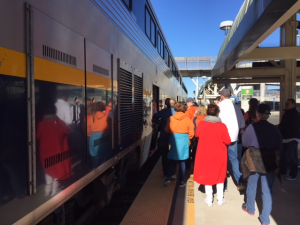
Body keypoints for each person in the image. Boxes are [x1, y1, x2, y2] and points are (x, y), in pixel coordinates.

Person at [241, 104, 282, 225]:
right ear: (268, 115)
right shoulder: (274, 129)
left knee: (252, 185)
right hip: (269, 159)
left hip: (254, 158)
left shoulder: (251, 127)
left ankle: (250, 208)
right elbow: (279, 145)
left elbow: (245, 143)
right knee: (267, 190)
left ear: (258, 114)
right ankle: (265, 219)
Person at [194, 104, 231, 207]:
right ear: (218, 113)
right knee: (220, 176)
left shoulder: (202, 124)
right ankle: (220, 199)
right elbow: (227, 141)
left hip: (205, 154)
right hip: (219, 154)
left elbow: (197, 135)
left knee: (207, 175)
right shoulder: (222, 126)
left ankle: (209, 200)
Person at [36, 104, 71, 196]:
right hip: (57, 150)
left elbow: (38, 136)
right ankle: (55, 191)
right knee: (57, 171)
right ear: (55, 112)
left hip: (45, 152)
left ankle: (47, 190)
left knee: (48, 170)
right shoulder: (60, 123)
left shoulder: (41, 124)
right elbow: (68, 131)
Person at [218, 88, 245, 191]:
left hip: (222, 138)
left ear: (222, 96)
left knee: (222, 160)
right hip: (233, 138)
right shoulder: (236, 107)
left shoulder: (219, 106)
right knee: (234, 159)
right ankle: (239, 181)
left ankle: (224, 185)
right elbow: (242, 124)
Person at [164, 102, 194, 187]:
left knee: (172, 160)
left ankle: (168, 178)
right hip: (184, 141)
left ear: (175, 108)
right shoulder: (187, 119)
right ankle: (181, 181)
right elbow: (191, 133)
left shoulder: (171, 118)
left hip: (173, 140)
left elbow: (167, 130)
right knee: (182, 161)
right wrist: (188, 138)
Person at [152, 98, 176, 176]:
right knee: (174, 154)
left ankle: (165, 171)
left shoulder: (163, 111)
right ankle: (172, 172)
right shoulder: (177, 112)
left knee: (164, 154)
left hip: (164, 136)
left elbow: (155, 116)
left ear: (166, 104)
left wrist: (157, 122)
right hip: (174, 137)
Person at [278, 99, 300, 180]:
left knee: (293, 157)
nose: (286, 105)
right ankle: (282, 171)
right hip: (285, 138)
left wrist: (281, 127)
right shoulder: (286, 113)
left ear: (293, 105)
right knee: (283, 155)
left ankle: (293, 174)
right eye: (285, 103)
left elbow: (292, 125)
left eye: (288, 104)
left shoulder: (295, 114)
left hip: (292, 138)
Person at [87, 102, 109, 168]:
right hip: (103, 138)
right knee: (102, 157)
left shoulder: (91, 118)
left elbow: (87, 131)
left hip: (92, 138)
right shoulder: (107, 118)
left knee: (94, 157)